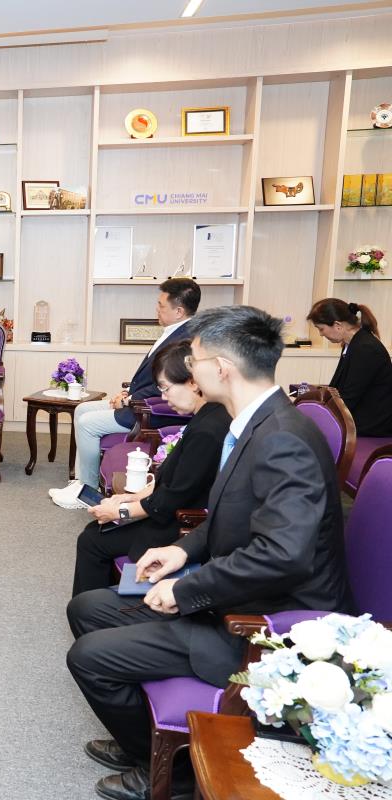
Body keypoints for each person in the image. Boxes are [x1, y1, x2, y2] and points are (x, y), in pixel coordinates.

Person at [66, 306, 353, 800]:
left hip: (265, 623)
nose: (189, 370)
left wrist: (185, 589)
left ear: (221, 368)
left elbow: (282, 555)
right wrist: (180, 552)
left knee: (88, 658)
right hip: (232, 590)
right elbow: (227, 516)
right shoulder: (253, 423)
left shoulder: (283, 439)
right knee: (87, 608)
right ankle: (146, 738)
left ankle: (172, 770)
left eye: (194, 360)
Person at [70, 339, 231, 596]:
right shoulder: (208, 416)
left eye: (166, 389)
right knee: (96, 533)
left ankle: (94, 609)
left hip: (180, 523)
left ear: (193, 382)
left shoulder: (208, 431)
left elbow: (171, 499)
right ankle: (100, 604)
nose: (164, 398)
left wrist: (121, 511)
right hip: (171, 509)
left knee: (93, 540)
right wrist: (130, 498)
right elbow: (172, 480)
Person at [52, 278, 200, 509]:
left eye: (161, 305)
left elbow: (166, 384)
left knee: (88, 424)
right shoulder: (173, 332)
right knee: (81, 409)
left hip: (152, 410)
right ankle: (80, 481)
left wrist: (129, 400)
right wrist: (127, 392)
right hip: (138, 400)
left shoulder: (185, 339)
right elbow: (150, 376)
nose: (156, 309)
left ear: (179, 311)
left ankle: (87, 489)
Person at [307, 298, 392, 436]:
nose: (321, 334)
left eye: (321, 329)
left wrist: (317, 414)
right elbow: (339, 390)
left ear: (337, 325)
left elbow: (348, 397)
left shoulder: (365, 348)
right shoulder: (353, 344)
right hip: (359, 419)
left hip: (370, 427)